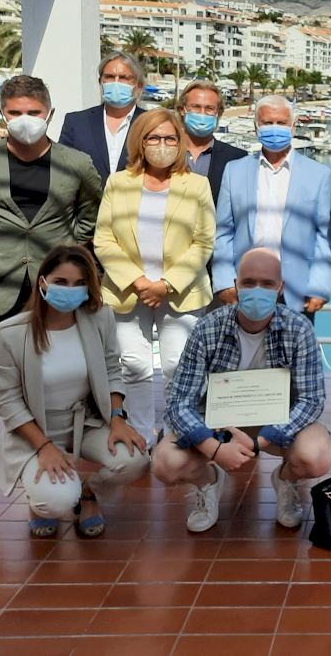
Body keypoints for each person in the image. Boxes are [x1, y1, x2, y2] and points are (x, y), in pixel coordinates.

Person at [0, 75, 103, 503]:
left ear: (49, 113)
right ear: (2, 114)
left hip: (54, 292)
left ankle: (63, 457)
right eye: (15, 112)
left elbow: (91, 212)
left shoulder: (76, 163)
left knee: (62, 373)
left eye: (33, 112)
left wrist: (65, 253)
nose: (24, 119)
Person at [152, 248, 331, 533]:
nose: (257, 290)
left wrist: (260, 442)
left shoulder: (299, 329)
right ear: (236, 285)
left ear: (280, 287)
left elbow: (312, 400)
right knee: (166, 463)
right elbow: (179, 401)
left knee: (316, 455)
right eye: (249, 282)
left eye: (267, 283)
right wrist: (213, 447)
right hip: (218, 424)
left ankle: (285, 481)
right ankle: (209, 482)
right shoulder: (208, 327)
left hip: (276, 423)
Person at [0, 245, 149, 537]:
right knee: (56, 502)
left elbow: (112, 370)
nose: (70, 290)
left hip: (85, 422)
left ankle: (88, 493)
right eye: (61, 282)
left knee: (135, 458)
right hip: (37, 429)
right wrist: (44, 447)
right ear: (42, 282)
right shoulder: (11, 333)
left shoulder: (100, 318)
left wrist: (117, 418)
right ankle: (42, 502)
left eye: (79, 283)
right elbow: (7, 400)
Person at [93, 108, 216, 443]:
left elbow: (204, 241)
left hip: (181, 291)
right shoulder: (118, 183)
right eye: (155, 138)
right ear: (140, 141)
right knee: (133, 366)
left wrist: (166, 284)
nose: (163, 145)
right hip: (127, 291)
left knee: (178, 366)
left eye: (170, 139)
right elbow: (103, 238)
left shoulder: (197, 185)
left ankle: (175, 435)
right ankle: (141, 436)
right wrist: (138, 281)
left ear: (180, 142)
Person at [212, 95, 331, 315]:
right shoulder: (234, 171)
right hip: (245, 285)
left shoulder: (320, 175)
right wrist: (223, 281)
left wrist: (319, 286)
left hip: (296, 289)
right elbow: (223, 231)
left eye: (281, 123)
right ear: (256, 127)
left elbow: (323, 236)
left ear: (293, 126)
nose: (275, 128)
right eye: (268, 123)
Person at [59, 54, 146, 184]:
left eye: (124, 78)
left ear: (138, 85)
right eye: (109, 77)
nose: (116, 82)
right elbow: (62, 169)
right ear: (101, 81)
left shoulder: (151, 124)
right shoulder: (76, 122)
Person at [176, 79, 247, 207]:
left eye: (209, 108)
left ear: (218, 113)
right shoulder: (167, 151)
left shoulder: (237, 158)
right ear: (182, 110)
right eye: (196, 107)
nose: (202, 113)